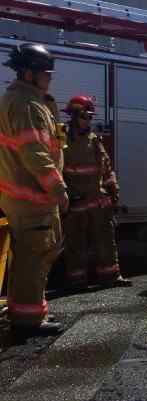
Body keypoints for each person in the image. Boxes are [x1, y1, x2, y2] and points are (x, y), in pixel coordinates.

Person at [0, 43, 68, 335]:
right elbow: (35, 153)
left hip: (23, 197)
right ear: (29, 74)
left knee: (32, 254)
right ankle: (28, 321)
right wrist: (59, 189)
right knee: (33, 257)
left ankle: (24, 312)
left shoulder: (22, 100)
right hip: (33, 198)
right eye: (45, 74)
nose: (49, 78)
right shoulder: (27, 105)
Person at [61, 95, 130, 288]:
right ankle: (77, 280)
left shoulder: (94, 139)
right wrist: (64, 195)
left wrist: (113, 191)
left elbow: (107, 168)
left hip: (98, 201)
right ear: (74, 117)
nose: (88, 121)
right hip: (76, 202)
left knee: (106, 240)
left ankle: (110, 276)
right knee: (76, 243)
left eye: (90, 117)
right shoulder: (62, 140)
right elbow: (56, 169)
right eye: (85, 116)